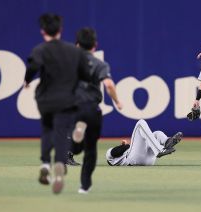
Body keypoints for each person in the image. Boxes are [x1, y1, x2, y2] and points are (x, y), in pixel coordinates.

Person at [24, 13, 91, 194]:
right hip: (67, 100)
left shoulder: (40, 50)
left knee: (47, 129)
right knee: (61, 132)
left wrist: (26, 80)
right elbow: (86, 74)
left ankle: (45, 163)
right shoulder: (74, 51)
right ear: (60, 30)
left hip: (46, 100)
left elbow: (32, 66)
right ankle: (60, 163)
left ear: (43, 31)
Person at [70, 27, 123, 194]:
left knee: (76, 147)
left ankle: (76, 139)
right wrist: (117, 101)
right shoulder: (100, 64)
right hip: (92, 109)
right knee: (91, 149)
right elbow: (108, 85)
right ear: (95, 45)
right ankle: (84, 186)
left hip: (74, 108)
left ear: (77, 45)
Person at [106, 119, 183, 166]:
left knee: (156, 134)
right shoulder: (109, 156)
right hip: (133, 160)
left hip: (146, 160)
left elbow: (118, 151)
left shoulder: (116, 160)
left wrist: (124, 146)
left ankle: (167, 142)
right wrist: (124, 146)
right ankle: (160, 150)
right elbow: (114, 152)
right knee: (140, 123)